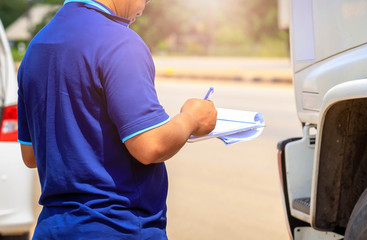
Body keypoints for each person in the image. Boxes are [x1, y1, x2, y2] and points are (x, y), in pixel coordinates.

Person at [17, 0, 217, 238]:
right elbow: (151, 145)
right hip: (117, 227)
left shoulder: (38, 45)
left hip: (53, 228)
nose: (146, 3)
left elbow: (31, 155)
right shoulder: (119, 41)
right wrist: (192, 118)